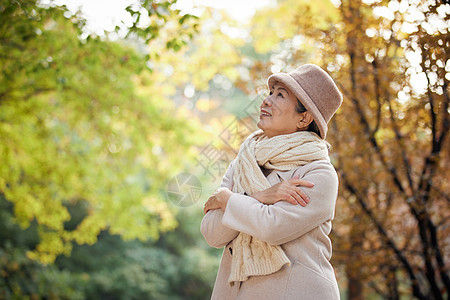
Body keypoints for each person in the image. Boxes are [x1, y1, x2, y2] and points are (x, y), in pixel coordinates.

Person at [200, 64, 343, 300]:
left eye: (280, 95)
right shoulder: (243, 162)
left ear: (304, 117)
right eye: (270, 92)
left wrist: (226, 199)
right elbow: (212, 234)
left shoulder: (319, 173)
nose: (267, 101)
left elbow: (272, 227)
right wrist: (258, 197)